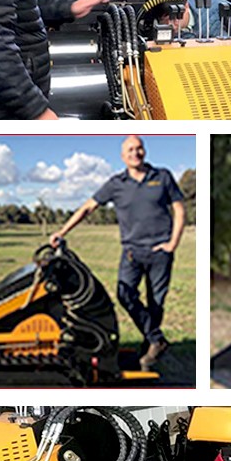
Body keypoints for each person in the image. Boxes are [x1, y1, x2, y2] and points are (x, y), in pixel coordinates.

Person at [50, 136, 185, 370]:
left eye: (139, 148)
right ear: (123, 156)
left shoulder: (162, 177)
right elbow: (88, 207)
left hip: (160, 251)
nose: (136, 153)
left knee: (156, 303)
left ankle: (149, 350)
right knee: (125, 294)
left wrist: (172, 243)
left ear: (145, 151)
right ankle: (156, 340)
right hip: (132, 251)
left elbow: (179, 209)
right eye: (130, 150)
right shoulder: (115, 183)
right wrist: (62, 231)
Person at [155, 0, 231, 40]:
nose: (172, 25)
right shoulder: (159, 29)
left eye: (175, 18)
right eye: (164, 20)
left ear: (186, 6)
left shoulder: (210, 1)